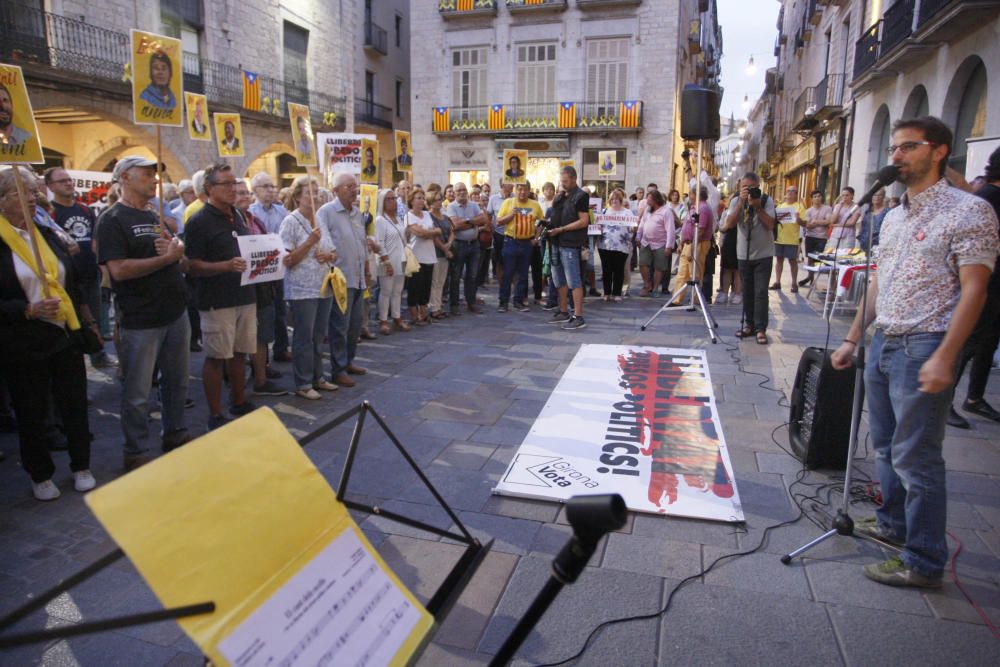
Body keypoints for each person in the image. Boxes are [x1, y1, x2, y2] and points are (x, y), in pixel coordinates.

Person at [831, 116, 999, 588]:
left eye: (908, 147)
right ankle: (893, 525)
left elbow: (975, 290)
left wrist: (946, 354)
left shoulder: (970, 211)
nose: (897, 156)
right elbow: (880, 280)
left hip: (925, 342)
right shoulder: (894, 215)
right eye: (895, 148)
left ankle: (923, 560)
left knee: (916, 457)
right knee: (884, 446)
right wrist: (853, 336)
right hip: (884, 339)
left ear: (939, 151)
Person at [1, 166, 97, 499]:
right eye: (21, 193)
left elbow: (72, 277)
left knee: (73, 403)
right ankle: (40, 473)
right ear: (2, 202)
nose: (31, 198)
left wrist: (85, 318)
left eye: (32, 192)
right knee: (32, 409)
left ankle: (81, 464)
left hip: (64, 333)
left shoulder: (46, 230)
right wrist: (26, 309)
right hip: (22, 340)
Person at [97, 156, 190, 469]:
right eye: (147, 175)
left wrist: (176, 251)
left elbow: (174, 252)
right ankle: (135, 450)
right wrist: (167, 259)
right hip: (140, 319)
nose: (155, 180)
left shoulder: (153, 215)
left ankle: (174, 433)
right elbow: (119, 270)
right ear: (125, 177)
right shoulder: (112, 220)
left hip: (174, 312)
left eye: (156, 175)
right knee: (137, 391)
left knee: (176, 382)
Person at [184, 163, 257, 431]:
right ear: (210, 189)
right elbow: (192, 265)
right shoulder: (199, 221)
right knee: (216, 356)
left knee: (240, 352)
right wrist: (224, 266)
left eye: (234, 183)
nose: (233, 188)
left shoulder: (237, 214)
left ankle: (238, 400)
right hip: (217, 299)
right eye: (226, 184)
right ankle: (215, 412)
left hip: (244, 293)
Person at [947, 146, 1000, 429]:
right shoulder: (987, 198)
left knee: (987, 343)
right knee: (970, 342)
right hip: (984, 283)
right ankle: (945, 401)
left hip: (994, 284)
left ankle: (974, 398)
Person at [44, 166, 114, 367]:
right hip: (67, 278)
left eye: (68, 179)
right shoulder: (50, 212)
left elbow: (95, 238)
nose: (68, 183)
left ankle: (98, 355)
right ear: (50, 186)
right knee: (73, 322)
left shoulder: (85, 209)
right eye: (62, 181)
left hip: (90, 272)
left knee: (95, 317)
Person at [279, 175, 338, 400]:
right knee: (304, 335)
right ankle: (303, 382)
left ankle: (317, 376)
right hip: (302, 288)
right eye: (308, 193)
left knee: (319, 335)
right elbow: (288, 259)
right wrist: (309, 243)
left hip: (323, 284)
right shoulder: (290, 222)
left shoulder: (319, 218)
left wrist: (328, 254)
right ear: (297, 197)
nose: (314, 197)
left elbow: (333, 251)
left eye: (316, 192)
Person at [235, 179, 287, 397]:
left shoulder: (253, 219)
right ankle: (246, 381)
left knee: (264, 331)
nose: (243, 196)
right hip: (242, 286)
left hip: (263, 282)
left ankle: (261, 372)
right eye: (238, 193)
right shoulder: (231, 221)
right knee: (245, 335)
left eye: (245, 192)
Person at [316, 172, 369, 387]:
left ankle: (348, 361)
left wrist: (366, 268)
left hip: (358, 276)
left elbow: (361, 242)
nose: (354, 190)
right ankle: (338, 369)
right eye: (348, 186)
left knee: (355, 324)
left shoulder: (357, 213)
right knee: (339, 325)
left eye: (355, 186)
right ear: (335, 190)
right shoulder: (326, 212)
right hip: (340, 278)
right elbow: (325, 243)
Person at [723, 171, 776, 345]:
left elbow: (770, 225)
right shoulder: (735, 201)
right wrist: (740, 203)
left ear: (758, 187)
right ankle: (749, 325)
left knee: (761, 292)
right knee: (747, 291)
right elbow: (729, 224)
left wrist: (757, 206)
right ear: (740, 187)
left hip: (763, 254)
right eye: (744, 187)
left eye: (751, 188)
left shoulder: (766, 201)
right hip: (743, 253)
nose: (747, 190)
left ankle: (761, 329)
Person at [249, 172, 291, 361]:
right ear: (255, 190)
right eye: (265, 187)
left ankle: (281, 348)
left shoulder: (281, 211)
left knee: (280, 310)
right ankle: (262, 357)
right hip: (261, 270)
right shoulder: (250, 213)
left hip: (280, 267)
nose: (269, 190)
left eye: (271, 186)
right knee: (264, 313)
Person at [546, 165, 591, 330]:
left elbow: (584, 221)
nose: (562, 184)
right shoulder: (560, 196)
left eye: (565, 181)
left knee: (573, 280)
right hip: (555, 243)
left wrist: (562, 229)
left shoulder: (581, 196)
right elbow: (554, 216)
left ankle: (578, 315)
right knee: (558, 280)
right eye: (561, 181)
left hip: (571, 244)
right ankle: (563, 311)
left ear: (574, 179)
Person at [496, 183, 544, 312]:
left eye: (525, 189)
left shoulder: (535, 204)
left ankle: (518, 301)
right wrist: (510, 216)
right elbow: (498, 221)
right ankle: (503, 302)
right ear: (516, 190)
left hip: (527, 243)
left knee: (523, 274)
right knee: (508, 273)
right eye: (520, 189)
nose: (522, 192)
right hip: (511, 241)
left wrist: (537, 238)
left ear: (529, 191)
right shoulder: (508, 203)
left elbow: (541, 223)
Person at [446, 182, 489, 315]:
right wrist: (472, 222)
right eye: (458, 190)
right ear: (454, 192)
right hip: (459, 245)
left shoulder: (474, 205)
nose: (461, 192)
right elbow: (454, 225)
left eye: (464, 190)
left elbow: (483, 220)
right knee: (456, 276)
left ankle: (471, 303)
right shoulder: (451, 207)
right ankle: (454, 306)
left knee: (472, 275)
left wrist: (467, 221)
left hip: (474, 244)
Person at [670, 186, 713, 306]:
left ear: (697, 194)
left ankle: (696, 299)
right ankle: (676, 300)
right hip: (688, 243)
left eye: (691, 193)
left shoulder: (703, 208)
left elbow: (700, 230)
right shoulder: (694, 207)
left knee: (695, 273)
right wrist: (682, 243)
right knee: (682, 272)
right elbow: (687, 226)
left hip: (698, 243)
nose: (689, 196)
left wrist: (693, 249)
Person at [374, 188, 409, 333]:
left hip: (400, 259)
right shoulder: (380, 220)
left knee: (398, 291)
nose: (392, 201)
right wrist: (386, 262)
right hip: (387, 260)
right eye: (388, 199)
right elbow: (380, 243)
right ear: (382, 202)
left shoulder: (398, 218)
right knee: (386, 291)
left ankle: (397, 317)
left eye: (394, 198)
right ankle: (383, 320)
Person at [405, 188, 440, 325]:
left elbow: (438, 230)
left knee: (426, 287)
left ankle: (423, 313)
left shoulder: (426, 214)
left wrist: (429, 232)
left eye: (422, 198)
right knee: (415, 287)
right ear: (411, 201)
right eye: (418, 198)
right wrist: (430, 232)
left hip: (429, 255)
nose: (421, 200)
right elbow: (420, 233)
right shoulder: (408, 216)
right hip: (415, 256)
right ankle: (414, 316)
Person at [635, 190, 674, 297]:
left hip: (660, 243)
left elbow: (670, 229)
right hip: (646, 242)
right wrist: (638, 236)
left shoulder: (666, 211)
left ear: (656, 200)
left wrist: (669, 246)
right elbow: (642, 224)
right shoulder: (647, 210)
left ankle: (656, 288)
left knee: (659, 267)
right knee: (642, 263)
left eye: (650, 199)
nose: (647, 201)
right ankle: (647, 285)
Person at [598, 188, 635, 302]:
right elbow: (598, 226)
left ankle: (617, 293)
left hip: (621, 246)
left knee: (619, 270)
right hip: (605, 246)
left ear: (621, 200)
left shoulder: (627, 212)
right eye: (612, 199)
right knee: (606, 270)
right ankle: (607, 292)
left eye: (617, 199)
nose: (614, 201)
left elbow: (632, 228)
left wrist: (633, 228)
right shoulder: (604, 211)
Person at [771, 185, 807, 292]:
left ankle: (794, 283)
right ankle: (777, 282)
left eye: (793, 191)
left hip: (792, 238)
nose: (790, 193)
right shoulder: (780, 206)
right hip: (779, 238)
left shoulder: (799, 207)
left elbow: (804, 223)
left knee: (792, 261)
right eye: (788, 191)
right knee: (779, 259)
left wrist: (798, 218)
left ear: (796, 194)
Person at [799, 189, 833, 287]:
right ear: (812, 199)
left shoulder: (827, 209)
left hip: (822, 237)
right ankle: (810, 277)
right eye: (815, 197)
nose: (817, 198)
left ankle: (820, 279)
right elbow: (808, 225)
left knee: (820, 259)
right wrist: (820, 222)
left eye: (819, 196)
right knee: (810, 258)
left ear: (822, 197)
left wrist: (815, 222)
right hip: (810, 236)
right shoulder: (808, 211)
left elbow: (828, 221)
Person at [487, 183, 513, 287]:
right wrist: (491, 228)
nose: (512, 186)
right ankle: (501, 282)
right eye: (509, 184)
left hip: (512, 234)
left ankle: (510, 281)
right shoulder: (493, 199)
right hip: (498, 233)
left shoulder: (515, 197)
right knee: (499, 259)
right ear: (503, 185)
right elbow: (489, 214)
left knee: (511, 259)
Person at [856, 188, 888, 252]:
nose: (876, 197)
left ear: (883, 197)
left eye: (879, 195)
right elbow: (862, 227)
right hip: (865, 244)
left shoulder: (887, 212)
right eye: (874, 195)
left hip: (879, 246)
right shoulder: (867, 211)